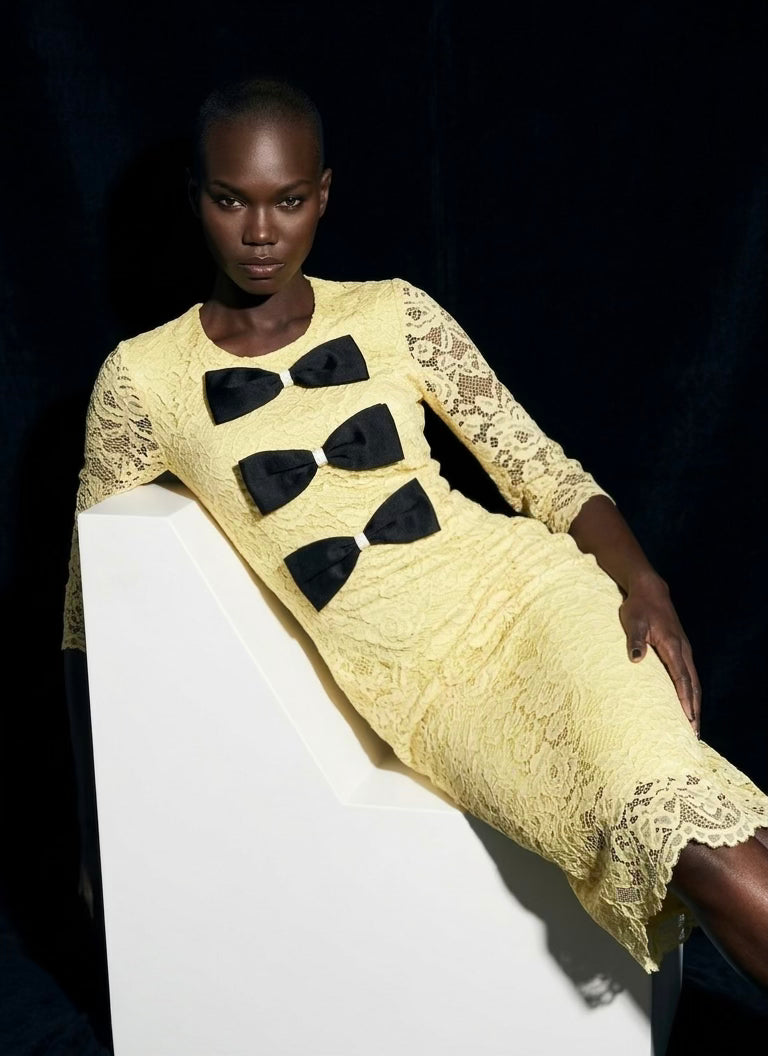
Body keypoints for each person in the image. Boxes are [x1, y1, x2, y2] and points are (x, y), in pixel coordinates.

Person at [62, 76, 768, 990]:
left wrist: (644, 583)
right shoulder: (141, 379)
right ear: (195, 196)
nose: (261, 232)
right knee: (665, 827)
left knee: (688, 819)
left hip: (534, 596)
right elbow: (89, 615)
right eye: (231, 200)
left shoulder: (393, 310)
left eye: (288, 200)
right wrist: (95, 827)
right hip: (425, 689)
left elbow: (539, 468)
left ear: (323, 195)